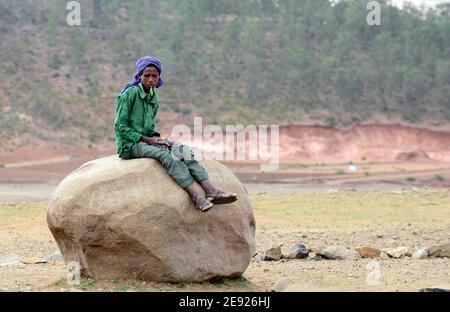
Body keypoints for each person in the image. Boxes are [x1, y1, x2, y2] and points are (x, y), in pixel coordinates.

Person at [114, 56, 238, 212]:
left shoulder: (153, 97)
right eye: (147, 75)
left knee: (183, 150)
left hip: (147, 141)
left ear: (159, 77)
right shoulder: (129, 94)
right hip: (130, 144)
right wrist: (149, 140)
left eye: (154, 76)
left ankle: (211, 191)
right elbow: (120, 127)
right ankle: (196, 196)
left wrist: (158, 139)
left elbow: (149, 127)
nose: (151, 79)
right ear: (139, 76)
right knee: (166, 156)